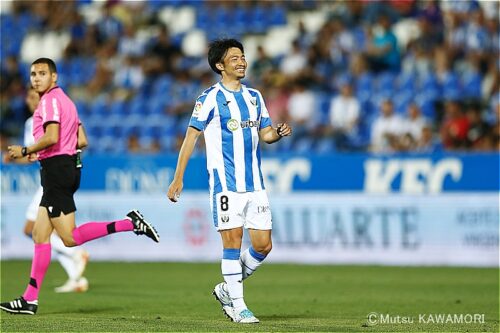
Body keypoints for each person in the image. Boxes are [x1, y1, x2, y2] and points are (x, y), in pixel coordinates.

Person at [1, 58, 160, 315]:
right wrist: (49, 152)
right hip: (63, 167)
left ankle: (130, 223)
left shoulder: (50, 101)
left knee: (70, 237)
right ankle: (29, 299)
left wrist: (28, 149)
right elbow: (82, 140)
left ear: (54, 77)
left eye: (42, 73)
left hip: (57, 172)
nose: (36, 78)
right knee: (40, 235)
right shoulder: (67, 102)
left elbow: (51, 136)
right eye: (33, 74)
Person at [167, 39, 292, 324]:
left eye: (243, 56)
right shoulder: (209, 98)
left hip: (255, 185)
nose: (242, 61)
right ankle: (239, 306)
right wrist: (178, 178)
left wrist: (279, 133)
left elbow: (266, 134)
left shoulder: (255, 97)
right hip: (226, 184)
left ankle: (226, 288)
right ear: (220, 66)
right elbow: (191, 137)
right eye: (234, 58)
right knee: (232, 243)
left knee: (263, 246)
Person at [3, 87, 90, 293]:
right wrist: (19, 157)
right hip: (53, 176)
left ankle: (76, 254)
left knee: (36, 231)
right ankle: (75, 276)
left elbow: (80, 141)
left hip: (55, 178)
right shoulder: (31, 122)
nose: (31, 101)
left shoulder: (51, 117)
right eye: (29, 97)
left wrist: (55, 150)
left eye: (35, 96)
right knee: (43, 232)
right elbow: (32, 156)